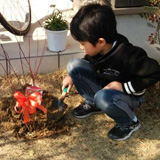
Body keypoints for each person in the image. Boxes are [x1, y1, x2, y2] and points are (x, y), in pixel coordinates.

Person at [62, 3, 160, 141]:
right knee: (74, 65)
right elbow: (90, 59)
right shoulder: (100, 49)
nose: (80, 47)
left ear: (101, 41)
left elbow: (155, 72)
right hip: (105, 88)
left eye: (83, 44)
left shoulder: (128, 55)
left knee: (103, 97)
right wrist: (72, 76)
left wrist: (123, 86)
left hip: (128, 96)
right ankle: (94, 103)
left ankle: (129, 123)